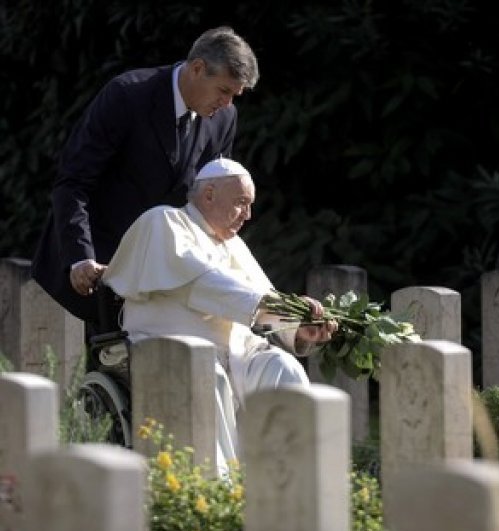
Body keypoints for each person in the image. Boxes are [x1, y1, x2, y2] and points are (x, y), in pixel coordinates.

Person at [102, 157, 338, 471]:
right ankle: (220, 491)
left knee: (284, 368)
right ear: (209, 194)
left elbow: (264, 299)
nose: (248, 215)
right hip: (168, 350)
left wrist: (296, 328)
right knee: (206, 374)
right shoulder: (164, 222)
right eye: (241, 203)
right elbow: (204, 283)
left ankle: (289, 482)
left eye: (251, 205)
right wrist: (278, 307)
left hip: (237, 356)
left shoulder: (235, 246)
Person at [31, 26, 259, 340]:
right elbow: (73, 181)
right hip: (103, 264)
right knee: (112, 369)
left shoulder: (224, 118)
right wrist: (80, 257)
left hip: (167, 274)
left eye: (234, 95)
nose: (227, 102)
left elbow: (211, 197)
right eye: (223, 91)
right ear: (197, 69)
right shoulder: (127, 95)